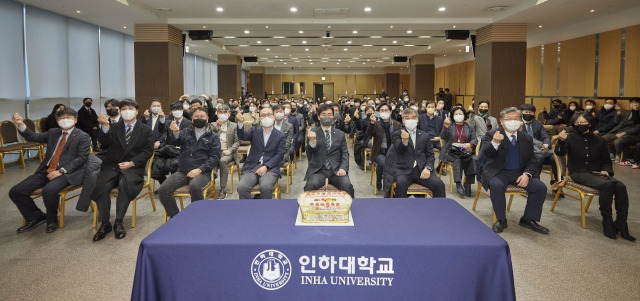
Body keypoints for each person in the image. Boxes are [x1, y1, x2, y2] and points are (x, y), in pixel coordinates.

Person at [555, 112, 635, 241]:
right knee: (607, 185)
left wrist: (606, 171)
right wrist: (561, 141)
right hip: (578, 172)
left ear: (590, 123)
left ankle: (621, 223)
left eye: (582, 122)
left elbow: (606, 160)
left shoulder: (600, 140)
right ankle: (607, 221)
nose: (579, 125)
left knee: (620, 186)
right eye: (576, 123)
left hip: (596, 173)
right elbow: (560, 152)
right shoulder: (570, 137)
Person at [9, 109, 91, 233]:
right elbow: (33, 137)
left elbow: (82, 158)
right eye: (61, 118)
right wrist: (20, 124)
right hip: (46, 170)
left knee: (49, 191)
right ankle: (36, 217)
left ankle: (52, 220)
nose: (65, 120)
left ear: (75, 120)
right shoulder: (53, 132)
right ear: (57, 121)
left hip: (68, 172)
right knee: (16, 191)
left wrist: (61, 171)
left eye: (68, 117)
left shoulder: (82, 136)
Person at [91, 99, 154, 241]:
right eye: (124, 108)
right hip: (112, 166)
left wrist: (132, 163)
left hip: (132, 168)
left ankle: (119, 221)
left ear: (137, 111)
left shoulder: (145, 129)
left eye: (130, 108)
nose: (127, 111)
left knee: (124, 184)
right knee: (103, 186)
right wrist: (105, 126)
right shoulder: (113, 127)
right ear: (120, 111)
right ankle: (105, 223)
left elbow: (147, 151)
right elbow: (104, 142)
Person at [481, 107, 549, 234]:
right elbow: (486, 156)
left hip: (520, 173)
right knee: (497, 185)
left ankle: (528, 219)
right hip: (498, 172)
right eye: (508, 119)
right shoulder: (492, 134)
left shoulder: (526, 138)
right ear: (502, 121)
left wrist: (527, 174)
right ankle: (501, 219)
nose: (513, 121)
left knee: (540, 187)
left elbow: (532, 160)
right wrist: (495, 142)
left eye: (516, 118)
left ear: (520, 121)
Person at [159, 107, 221, 218]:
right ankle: (175, 217)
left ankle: (197, 217)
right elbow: (174, 141)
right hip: (183, 170)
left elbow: (215, 157)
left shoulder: (213, 136)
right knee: (163, 189)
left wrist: (199, 169)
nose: (199, 118)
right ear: (192, 118)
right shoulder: (185, 132)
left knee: (195, 186)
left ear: (207, 118)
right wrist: (176, 132)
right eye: (196, 116)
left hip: (203, 171)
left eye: (202, 116)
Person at [387, 108, 446, 198]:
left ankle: (439, 210)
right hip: (403, 170)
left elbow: (430, 155)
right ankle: (399, 210)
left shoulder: (424, 135)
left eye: (413, 117)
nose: (411, 120)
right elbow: (399, 149)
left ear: (417, 120)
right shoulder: (397, 134)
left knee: (439, 184)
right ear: (403, 120)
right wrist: (404, 141)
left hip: (421, 170)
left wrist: (428, 168)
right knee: (401, 184)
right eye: (407, 118)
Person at [235, 106, 286, 199]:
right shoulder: (255, 131)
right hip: (252, 167)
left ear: (274, 117)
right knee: (242, 188)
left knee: (266, 187)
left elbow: (280, 155)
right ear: (259, 118)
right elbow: (242, 136)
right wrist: (240, 122)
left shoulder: (280, 135)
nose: (266, 117)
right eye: (263, 115)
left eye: (269, 114)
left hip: (270, 168)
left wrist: (266, 167)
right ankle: (249, 210)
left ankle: (264, 211)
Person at [304, 104, 355, 198]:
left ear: (333, 116)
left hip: (336, 170)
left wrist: (343, 168)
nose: (326, 117)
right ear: (319, 117)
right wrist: (312, 141)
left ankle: (349, 209)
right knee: (309, 186)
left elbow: (345, 153)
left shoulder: (340, 134)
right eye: (323, 114)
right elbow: (310, 152)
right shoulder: (312, 132)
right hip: (318, 170)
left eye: (329, 114)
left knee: (347, 186)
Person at [440, 106, 476, 197]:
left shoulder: (469, 127)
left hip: (465, 151)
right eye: (456, 114)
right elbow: (443, 137)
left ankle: (468, 183)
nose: (459, 115)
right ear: (452, 116)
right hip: (450, 151)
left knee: (473, 160)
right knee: (457, 160)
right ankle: (458, 183)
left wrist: (470, 144)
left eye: (461, 114)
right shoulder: (450, 125)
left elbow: (474, 139)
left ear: (464, 115)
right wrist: (445, 127)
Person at [366, 103, 402, 190]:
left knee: (396, 163)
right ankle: (379, 182)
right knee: (383, 162)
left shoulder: (396, 124)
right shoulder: (376, 123)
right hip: (380, 152)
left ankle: (392, 183)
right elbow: (368, 134)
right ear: (378, 112)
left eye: (386, 110)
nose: (384, 112)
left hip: (394, 153)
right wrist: (371, 123)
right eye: (382, 110)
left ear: (390, 111)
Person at [520, 104, 556, 182]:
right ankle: (534, 182)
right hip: (526, 152)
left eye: (531, 112)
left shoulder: (538, 123)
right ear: (521, 112)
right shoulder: (518, 124)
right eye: (526, 112)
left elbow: (545, 137)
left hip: (540, 150)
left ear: (534, 113)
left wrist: (546, 145)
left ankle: (557, 183)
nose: (528, 114)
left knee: (554, 158)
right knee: (539, 157)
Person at [211, 105, 240, 199]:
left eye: (225, 112)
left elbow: (237, 142)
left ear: (229, 113)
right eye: (220, 112)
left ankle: (222, 189)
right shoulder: (212, 125)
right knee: (212, 158)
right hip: (216, 151)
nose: (223, 114)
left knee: (222, 161)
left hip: (229, 152)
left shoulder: (234, 125)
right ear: (217, 113)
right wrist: (218, 126)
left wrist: (230, 150)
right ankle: (209, 183)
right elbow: (209, 138)